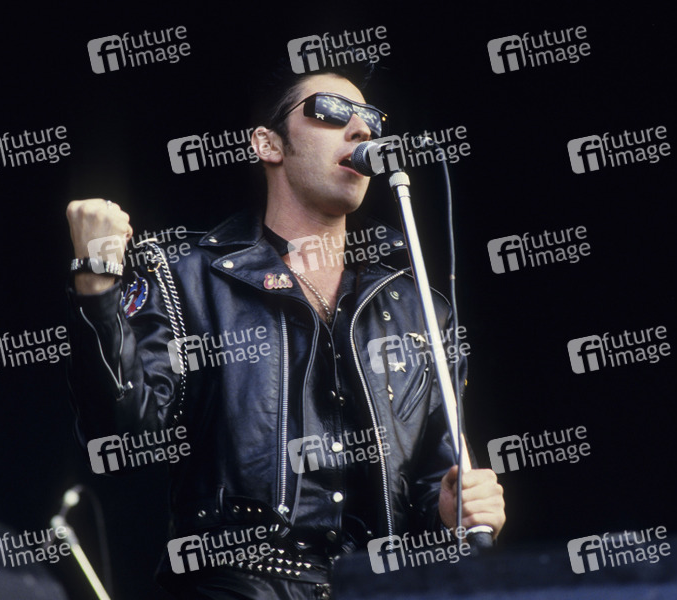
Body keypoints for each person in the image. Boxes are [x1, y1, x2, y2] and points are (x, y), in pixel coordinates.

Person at [64, 59, 505, 599]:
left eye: (370, 117)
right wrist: (96, 279)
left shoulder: (420, 310)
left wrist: (453, 514)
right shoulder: (188, 279)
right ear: (268, 144)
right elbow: (122, 437)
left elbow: (434, 489)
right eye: (331, 111)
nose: (360, 128)